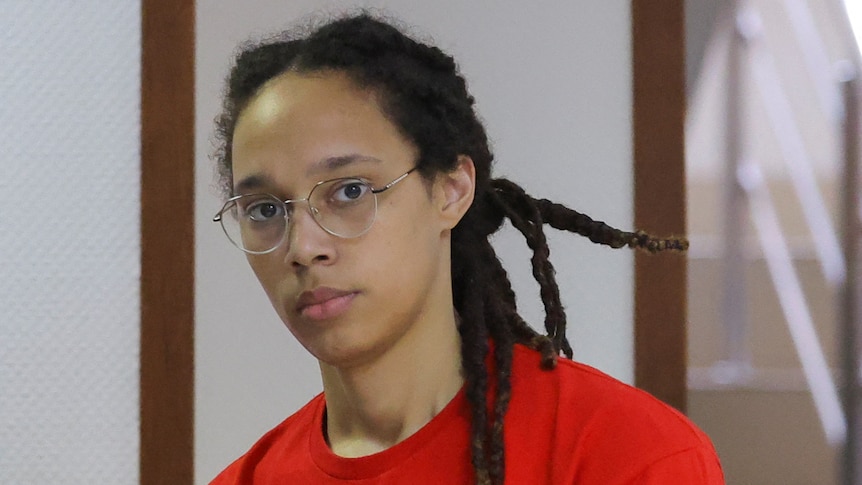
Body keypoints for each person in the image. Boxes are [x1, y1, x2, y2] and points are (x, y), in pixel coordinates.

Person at [209, 12, 724, 485]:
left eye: (350, 191)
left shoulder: (627, 455)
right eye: (265, 210)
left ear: (451, 190)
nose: (303, 247)